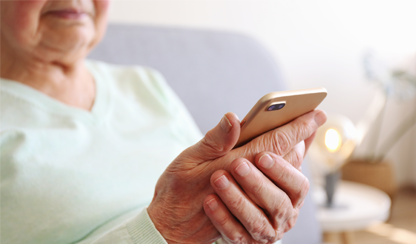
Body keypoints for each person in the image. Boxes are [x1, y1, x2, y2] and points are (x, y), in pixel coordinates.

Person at [0, 1, 327, 244]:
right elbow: (182, 220)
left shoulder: (143, 84)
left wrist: (252, 215)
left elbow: (209, 208)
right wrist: (162, 230)